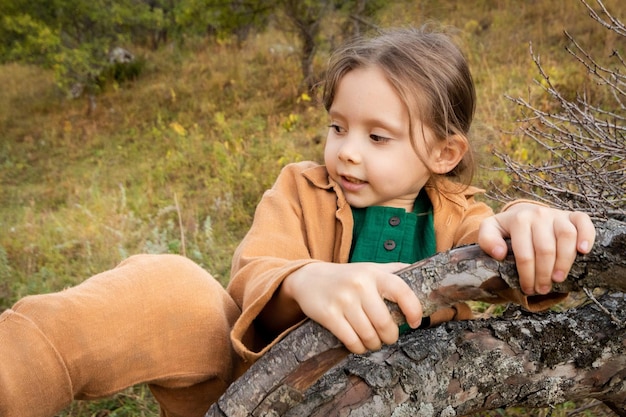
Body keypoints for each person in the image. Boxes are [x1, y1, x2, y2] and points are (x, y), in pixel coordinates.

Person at [0, 26, 595, 417]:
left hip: (392, 403)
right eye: (338, 126)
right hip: (248, 396)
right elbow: (253, 271)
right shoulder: (302, 187)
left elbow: (495, 247)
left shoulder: (456, 216)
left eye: (377, 136)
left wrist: (529, 223)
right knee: (171, 287)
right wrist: (304, 280)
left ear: (443, 153)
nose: (347, 151)